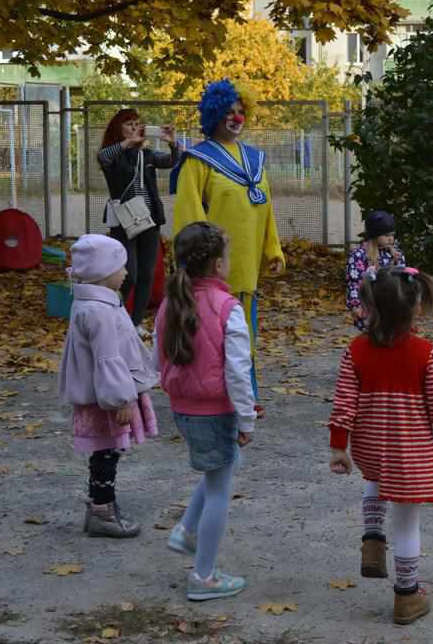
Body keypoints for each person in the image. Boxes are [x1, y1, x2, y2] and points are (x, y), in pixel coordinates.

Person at [328, 266, 433, 625]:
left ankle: (372, 539)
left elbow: (343, 402)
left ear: (372, 308)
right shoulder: (427, 354)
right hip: (408, 451)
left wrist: (339, 446)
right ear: (416, 308)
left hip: (368, 444)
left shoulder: (356, 350)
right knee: (407, 523)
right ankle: (407, 596)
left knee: (373, 477)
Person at [156, 222, 259, 601]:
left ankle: (186, 531)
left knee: (224, 466)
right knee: (220, 488)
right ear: (218, 265)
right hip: (214, 411)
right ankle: (203, 577)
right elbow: (238, 370)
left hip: (184, 409)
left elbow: (158, 358)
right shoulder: (227, 308)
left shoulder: (170, 303)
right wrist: (246, 418)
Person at [172, 79, 285, 396]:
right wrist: (194, 262)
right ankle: (214, 392)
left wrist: (272, 250)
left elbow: (266, 209)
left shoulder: (255, 160)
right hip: (213, 269)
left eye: (240, 111)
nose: (235, 118)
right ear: (213, 116)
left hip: (246, 267)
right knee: (213, 332)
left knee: (243, 331)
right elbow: (189, 215)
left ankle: (246, 392)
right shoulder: (198, 160)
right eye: (227, 112)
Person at [58, 234, 159, 538]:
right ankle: (103, 510)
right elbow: (108, 359)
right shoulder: (99, 311)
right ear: (103, 273)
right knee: (107, 450)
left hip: (102, 392)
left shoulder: (93, 303)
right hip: (107, 396)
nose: (127, 273)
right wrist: (122, 399)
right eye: (121, 267)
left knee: (107, 449)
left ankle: (100, 508)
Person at [97, 109, 180, 336]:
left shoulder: (148, 155)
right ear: (119, 128)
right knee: (128, 273)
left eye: (137, 124)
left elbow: (172, 161)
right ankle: (116, 315)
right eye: (129, 124)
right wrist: (127, 143)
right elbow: (103, 156)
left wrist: (173, 143)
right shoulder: (114, 156)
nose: (135, 128)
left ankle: (135, 323)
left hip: (150, 220)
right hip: (124, 221)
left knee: (146, 274)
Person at [346, 211, 406, 330]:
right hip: (369, 303)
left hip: (392, 303)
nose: (390, 239)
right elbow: (354, 282)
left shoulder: (395, 254)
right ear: (374, 235)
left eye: (392, 235)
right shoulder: (359, 255)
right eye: (386, 235)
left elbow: (402, 278)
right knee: (374, 335)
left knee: (392, 334)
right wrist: (355, 305)